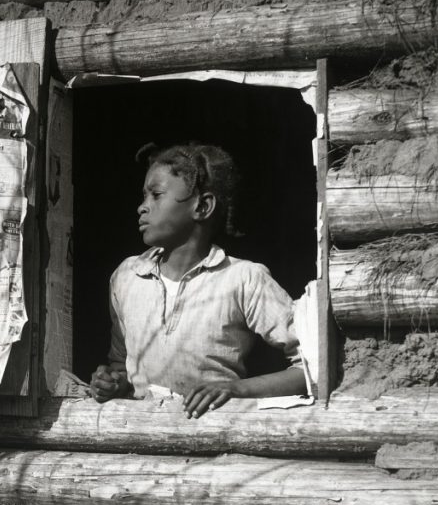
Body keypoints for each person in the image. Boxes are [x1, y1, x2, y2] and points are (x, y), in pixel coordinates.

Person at [89, 143, 309, 419]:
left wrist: (237, 389)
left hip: (213, 439)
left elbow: (312, 368)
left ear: (202, 206)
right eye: (143, 196)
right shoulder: (127, 277)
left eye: (156, 195)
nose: (142, 208)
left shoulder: (243, 279)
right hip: (142, 440)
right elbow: (121, 364)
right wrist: (113, 382)